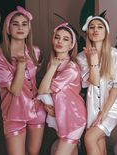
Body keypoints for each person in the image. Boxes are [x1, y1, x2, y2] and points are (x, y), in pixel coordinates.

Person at [0, 6, 46, 155]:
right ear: (8, 28)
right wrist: (21, 66)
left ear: (29, 28)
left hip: (37, 110)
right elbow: (15, 90)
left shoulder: (35, 51)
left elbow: (35, 82)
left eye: (24, 24)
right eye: (15, 24)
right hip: (13, 114)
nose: (20, 27)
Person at [77, 15, 117, 155]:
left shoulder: (116, 55)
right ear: (88, 32)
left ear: (106, 32)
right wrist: (92, 59)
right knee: (99, 142)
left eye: (100, 27)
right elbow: (94, 81)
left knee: (89, 138)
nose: (95, 30)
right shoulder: (81, 57)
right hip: (92, 105)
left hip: (112, 106)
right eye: (91, 27)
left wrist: (103, 113)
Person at [38, 22, 87, 155]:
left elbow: (42, 90)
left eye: (65, 39)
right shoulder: (53, 63)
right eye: (57, 37)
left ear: (71, 45)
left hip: (74, 118)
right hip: (62, 117)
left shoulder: (70, 68)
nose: (60, 41)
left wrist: (53, 66)